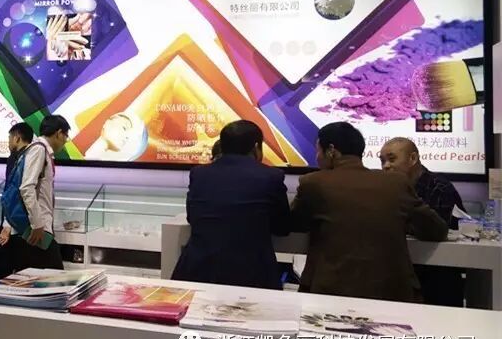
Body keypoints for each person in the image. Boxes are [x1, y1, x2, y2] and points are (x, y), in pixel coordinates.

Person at [291, 122, 448, 302]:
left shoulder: (313, 182)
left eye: (318, 150)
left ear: (331, 151)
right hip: (392, 293)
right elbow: (436, 230)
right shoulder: (396, 183)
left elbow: (294, 223)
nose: (317, 157)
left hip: (331, 292)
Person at [172, 121, 291, 289]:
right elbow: (283, 227)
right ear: (256, 147)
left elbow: (193, 217)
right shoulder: (271, 176)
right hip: (252, 275)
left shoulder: (199, 174)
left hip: (199, 271)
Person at [380, 137, 465, 307]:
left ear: (413, 158)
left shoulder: (440, 187)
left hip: (437, 275)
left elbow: (441, 231)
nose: (386, 166)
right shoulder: (386, 189)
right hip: (401, 273)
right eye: (382, 161)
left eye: (392, 159)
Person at [0, 115, 70, 272]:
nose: (66, 141)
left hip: (33, 228)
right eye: (66, 136)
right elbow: (26, 187)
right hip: (35, 229)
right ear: (59, 133)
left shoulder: (36, 150)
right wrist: (37, 224)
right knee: (55, 277)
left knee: (31, 277)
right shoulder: (38, 149)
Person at [0, 122, 34, 281]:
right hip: (25, 226)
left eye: (10, 138)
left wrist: (7, 225)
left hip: (13, 224)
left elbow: (13, 191)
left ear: (17, 138)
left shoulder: (17, 158)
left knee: (2, 275)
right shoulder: (31, 157)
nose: (9, 142)